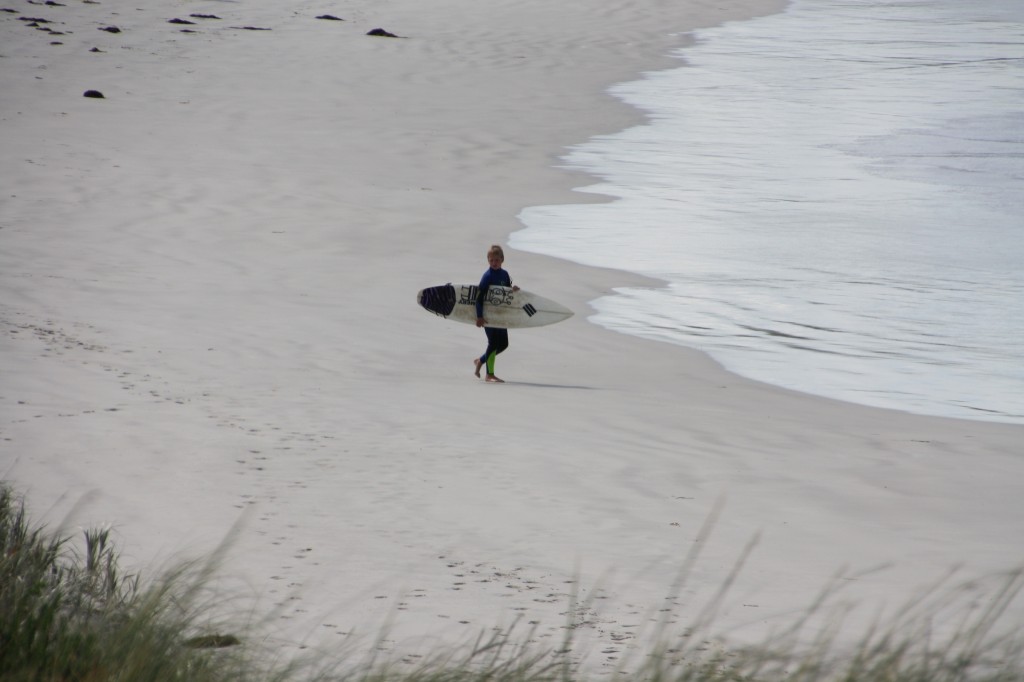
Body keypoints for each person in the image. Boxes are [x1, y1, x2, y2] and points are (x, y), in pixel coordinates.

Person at [473, 245, 519, 383]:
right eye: (491, 260)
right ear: (488, 260)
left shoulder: (505, 274)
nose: (494, 263)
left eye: (497, 260)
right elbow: (479, 298)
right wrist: (480, 316)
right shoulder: (487, 276)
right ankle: (489, 374)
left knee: (503, 344)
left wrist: (513, 289)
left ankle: (480, 361)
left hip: (500, 314)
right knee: (493, 343)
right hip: (488, 315)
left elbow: (506, 290)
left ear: (502, 260)